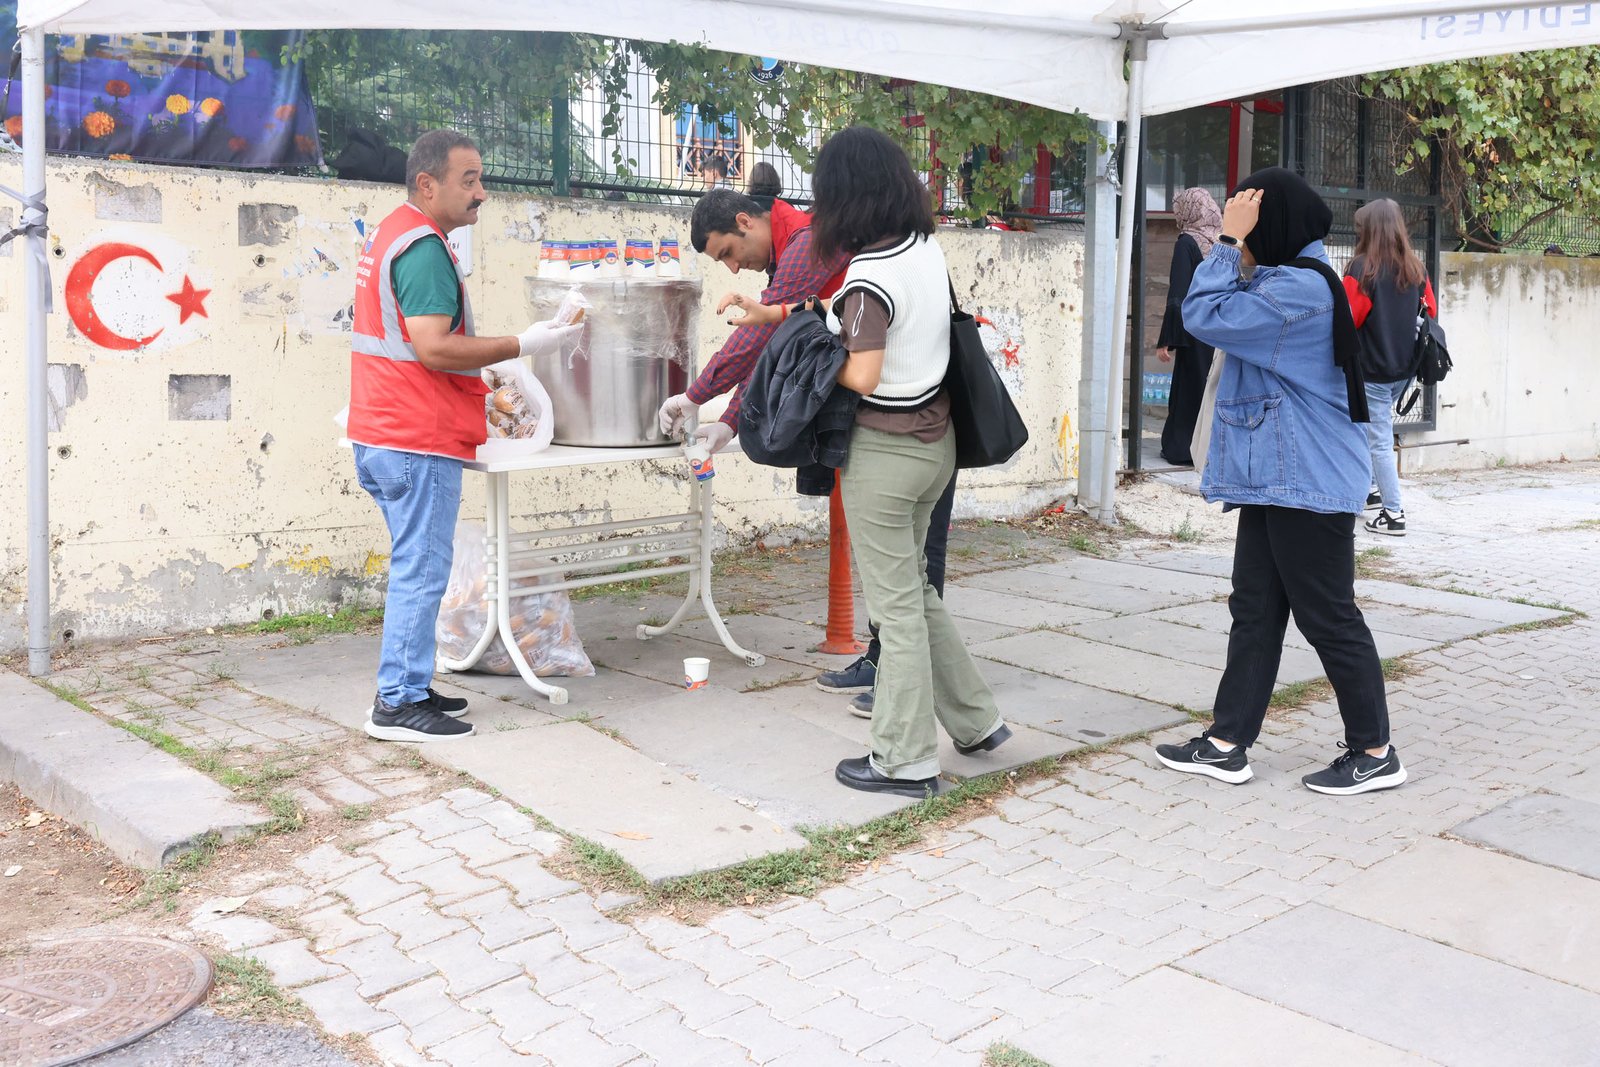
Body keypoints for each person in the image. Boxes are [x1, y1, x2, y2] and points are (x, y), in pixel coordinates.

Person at [1153, 167, 1405, 796]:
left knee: (1328, 616)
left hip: (1308, 479)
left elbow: (1204, 315)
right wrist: (1239, 245)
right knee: (1256, 610)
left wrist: (1228, 241)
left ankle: (1375, 751)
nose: (1242, 231)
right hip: (1280, 477)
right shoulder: (1294, 277)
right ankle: (1226, 743)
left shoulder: (1300, 291)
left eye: (1250, 218)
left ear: (1272, 226)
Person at [346, 130, 580, 743]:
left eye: (481, 178)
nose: (482, 192)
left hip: (385, 430)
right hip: (414, 435)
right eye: (469, 180)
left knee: (418, 564)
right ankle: (395, 702)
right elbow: (434, 346)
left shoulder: (394, 230)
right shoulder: (422, 247)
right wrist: (526, 344)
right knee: (421, 570)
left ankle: (413, 685)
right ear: (428, 184)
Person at [812, 126, 1010, 796]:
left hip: (885, 457)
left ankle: (903, 759)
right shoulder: (926, 249)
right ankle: (978, 720)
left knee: (893, 609)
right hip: (938, 449)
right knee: (917, 594)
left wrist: (822, 357)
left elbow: (863, 375)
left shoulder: (867, 277)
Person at [657, 189, 849, 459]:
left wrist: (692, 397)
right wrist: (729, 422)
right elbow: (772, 346)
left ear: (745, 222)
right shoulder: (793, 246)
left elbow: (759, 335)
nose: (733, 268)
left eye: (728, 253)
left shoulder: (807, 243)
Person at [1343, 198, 1437, 537]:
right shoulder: (1416, 268)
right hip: (1404, 369)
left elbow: (1348, 318)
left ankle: (1393, 513)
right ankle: (1368, 490)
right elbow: (1432, 312)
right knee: (1371, 431)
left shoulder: (1361, 269)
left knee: (1378, 440)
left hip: (1371, 369)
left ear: (1369, 229)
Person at [1155, 188, 1222, 466]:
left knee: (1189, 387)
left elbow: (1179, 292)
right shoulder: (1221, 243)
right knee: (1212, 388)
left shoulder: (1187, 242)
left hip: (1195, 328)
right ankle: (1208, 450)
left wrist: (1167, 338)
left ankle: (1182, 449)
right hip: (1219, 326)